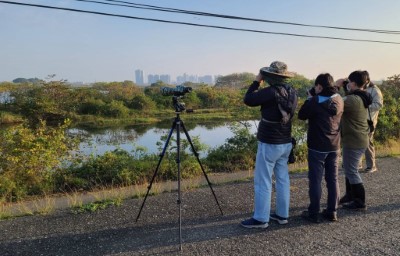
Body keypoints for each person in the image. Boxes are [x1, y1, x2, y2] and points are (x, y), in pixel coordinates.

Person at [241, 61, 298, 228]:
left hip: (269, 143)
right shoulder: (293, 92)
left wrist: (257, 80)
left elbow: (248, 99)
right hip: (286, 142)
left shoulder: (270, 92)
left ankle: (260, 218)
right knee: (282, 179)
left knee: (263, 180)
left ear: (269, 77)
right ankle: (282, 215)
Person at [298, 73, 344, 222]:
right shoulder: (339, 99)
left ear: (319, 86)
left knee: (315, 179)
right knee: (333, 178)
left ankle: (314, 213)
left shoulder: (315, 100)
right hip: (335, 144)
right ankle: (332, 211)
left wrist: (309, 98)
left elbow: (301, 115)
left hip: (317, 145)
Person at [337, 70, 372, 211]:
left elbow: (336, 102)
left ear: (354, 83)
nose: (348, 84)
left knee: (351, 170)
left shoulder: (353, 100)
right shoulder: (362, 96)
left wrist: (335, 86)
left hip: (354, 140)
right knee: (348, 168)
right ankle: (350, 195)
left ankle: (359, 201)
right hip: (358, 138)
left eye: (349, 82)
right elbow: (347, 99)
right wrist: (346, 87)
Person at [362, 71, 383, 173]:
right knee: (358, 142)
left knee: (367, 142)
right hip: (360, 119)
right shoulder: (362, 88)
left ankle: (371, 166)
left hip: (370, 120)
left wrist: (365, 106)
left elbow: (379, 105)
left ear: (367, 80)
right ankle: (358, 164)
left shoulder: (375, 90)